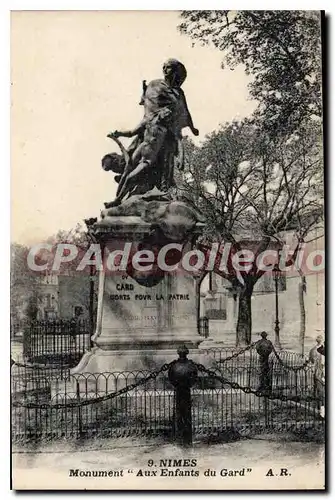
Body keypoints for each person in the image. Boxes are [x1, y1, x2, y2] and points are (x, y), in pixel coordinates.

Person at [106, 59, 199, 207]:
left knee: (138, 174)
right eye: (164, 67)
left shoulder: (178, 94)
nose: (165, 70)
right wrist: (118, 135)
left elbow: (184, 114)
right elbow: (145, 108)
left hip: (153, 152)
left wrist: (192, 130)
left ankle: (150, 194)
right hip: (144, 142)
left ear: (176, 72)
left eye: (168, 68)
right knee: (127, 170)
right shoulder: (155, 86)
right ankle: (118, 200)